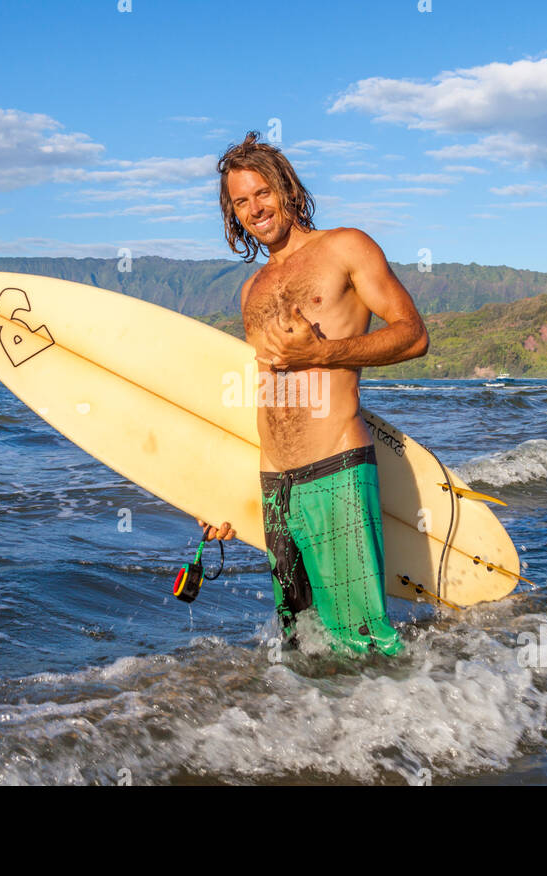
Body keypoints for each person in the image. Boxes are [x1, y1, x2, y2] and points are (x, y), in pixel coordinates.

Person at [197, 131, 429, 656]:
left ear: (286, 189)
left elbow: (413, 334)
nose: (254, 209)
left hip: (335, 467)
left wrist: (319, 355)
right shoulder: (250, 288)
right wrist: (220, 493)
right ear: (233, 215)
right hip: (276, 483)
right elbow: (263, 394)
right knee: (304, 645)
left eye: (262, 193)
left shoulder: (346, 247)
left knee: (361, 639)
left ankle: (402, 731)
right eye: (241, 202)